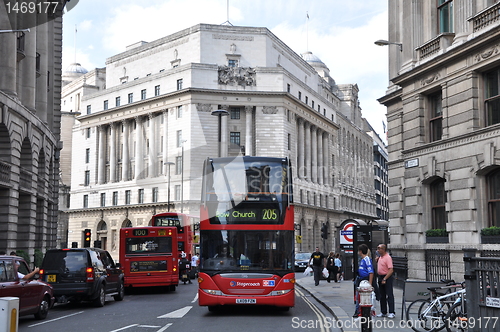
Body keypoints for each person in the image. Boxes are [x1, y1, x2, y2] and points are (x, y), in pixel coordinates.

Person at [353, 243, 374, 317]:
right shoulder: (362, 260)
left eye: (358, 251)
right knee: (358, 296)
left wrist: (370, 284)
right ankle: (358, 311)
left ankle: (360, 312)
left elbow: (371, 272)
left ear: (360, 251)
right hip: (359, 279)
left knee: (362, 297)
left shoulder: (367, 259)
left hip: (365, 280)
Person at [376, 244, 395, 318]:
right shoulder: (380, 257)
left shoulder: (388, 258)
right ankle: (383, 311)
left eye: (379, 248)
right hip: (380, 277)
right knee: (382, 295)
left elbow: (391, 270)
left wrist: (385, 278)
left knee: (389, 294)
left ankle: (391, 312)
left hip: (387, 277)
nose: (378, 250)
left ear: (383, 249)